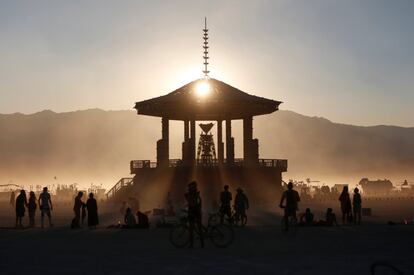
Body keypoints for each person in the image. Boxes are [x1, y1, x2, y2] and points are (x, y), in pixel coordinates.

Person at [185, 181, 203, 248]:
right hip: (192, 212)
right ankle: (192, 244)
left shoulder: (196, 195)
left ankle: (201, 243)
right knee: (192, 229)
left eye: (191, 187)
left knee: (198, 228)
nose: (189, 188)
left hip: (195, 212)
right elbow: (190, 202)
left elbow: (197, 203)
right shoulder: (191, 194)